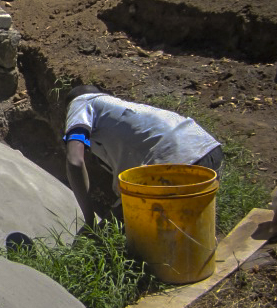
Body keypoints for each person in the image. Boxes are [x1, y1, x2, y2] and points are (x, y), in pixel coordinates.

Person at [63, 85, 223, 226]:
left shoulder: (81, 103)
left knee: (107, 238)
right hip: (208, 151)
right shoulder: (119, 113)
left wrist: (90, 220)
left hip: (174, 162)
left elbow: (75, 161)